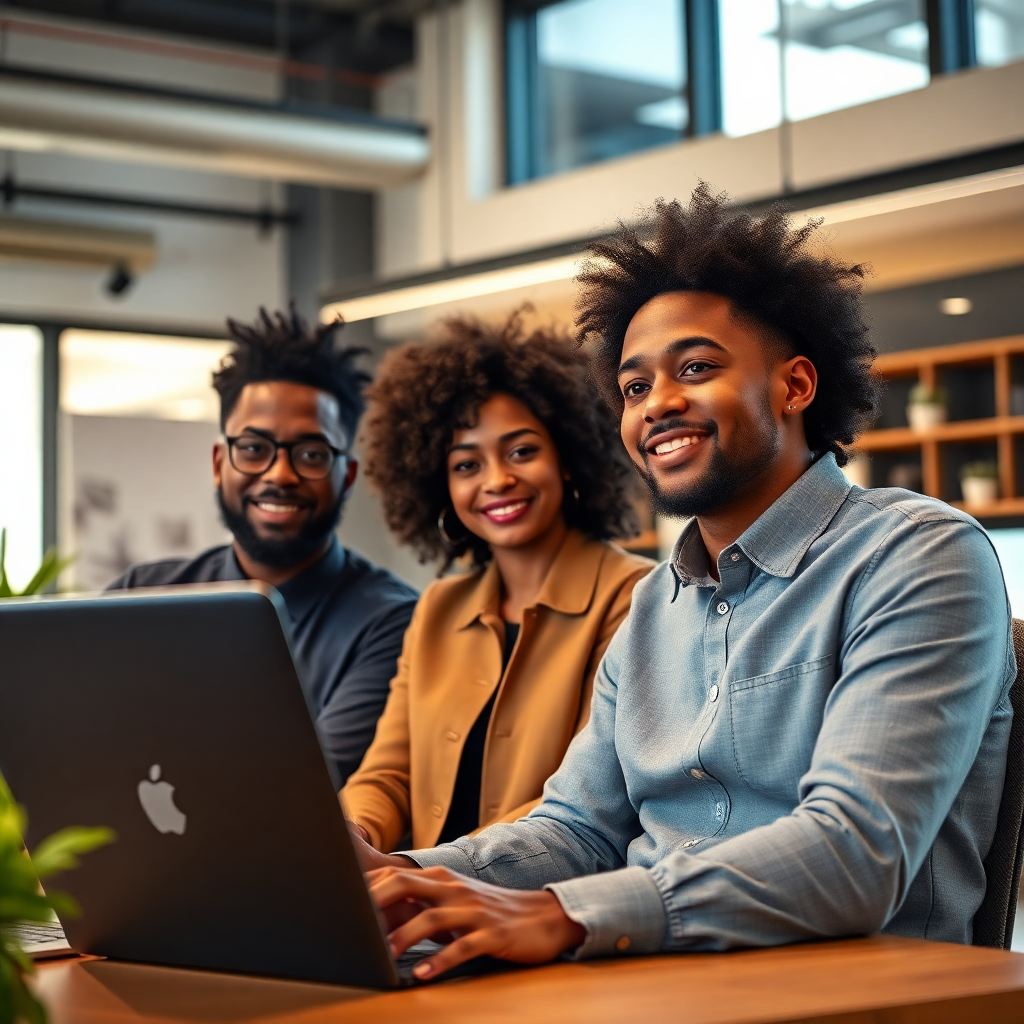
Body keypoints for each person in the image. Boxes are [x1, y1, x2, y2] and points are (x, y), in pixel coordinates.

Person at [356, 185, 1015, 979]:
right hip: (655, 974)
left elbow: (856, 854)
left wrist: (569, 914)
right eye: (634, 388)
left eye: (695, 368)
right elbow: (577, 830)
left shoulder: (918, 555)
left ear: (795, 386)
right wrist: (405, 879)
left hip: (856, 988)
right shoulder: (653, 608)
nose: (657, 405)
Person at [341, 316, 653, 853]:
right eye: (466, 464)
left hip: (535, 903)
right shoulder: (440, 608)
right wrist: (352, 835)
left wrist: (426, 872)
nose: (496, 480)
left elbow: (588, 798)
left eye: (521, 451)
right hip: (421, 901)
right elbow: (389, 773)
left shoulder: (632, 596)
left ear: (569, 460)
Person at [107, 308, 418, 787]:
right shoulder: (141, 594)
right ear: (219, 462)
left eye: (311, 454)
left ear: (348, 476)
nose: (279, 474)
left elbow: (299, 789)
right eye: (253, 448)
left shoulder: (391, 624)